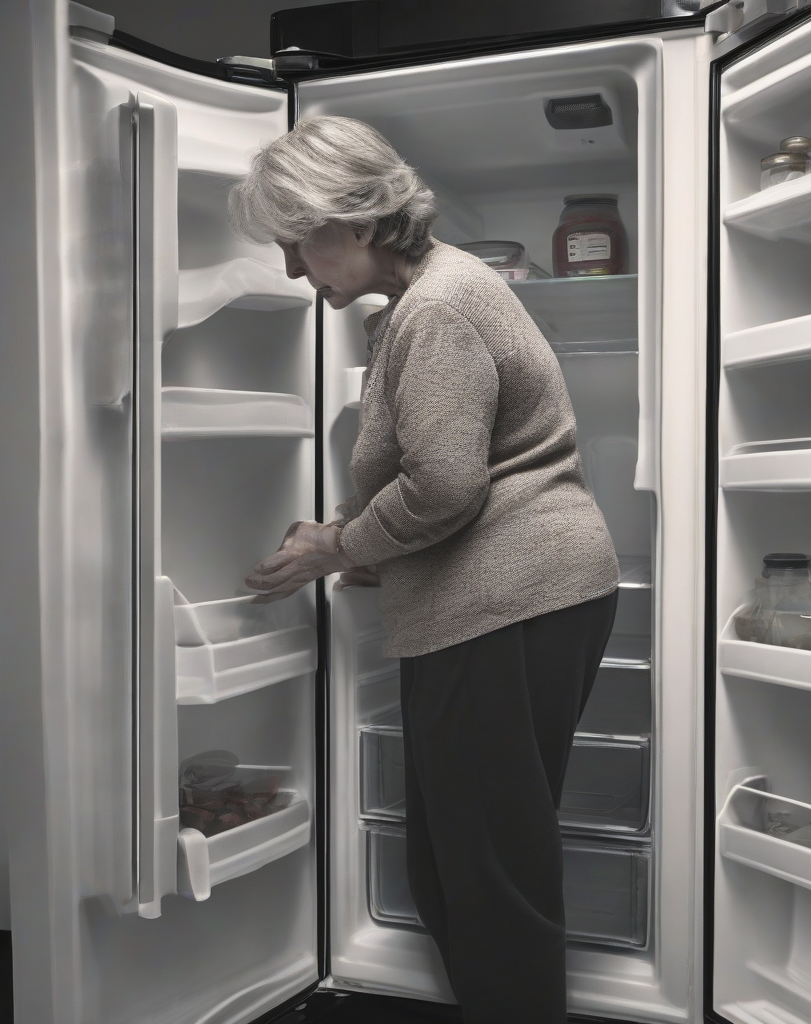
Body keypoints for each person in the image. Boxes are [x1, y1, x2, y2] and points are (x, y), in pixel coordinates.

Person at [230, 116, 619, 1024]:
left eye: (300, 242)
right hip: (518, 595)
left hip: (508, 603)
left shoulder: (437, 307)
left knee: (486, 866)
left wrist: (340, 545)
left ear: (357, 224)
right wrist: (365, 550)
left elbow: (444, 487)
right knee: (460, 856)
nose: (295, 268)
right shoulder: (432, 299)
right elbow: (458, 480)